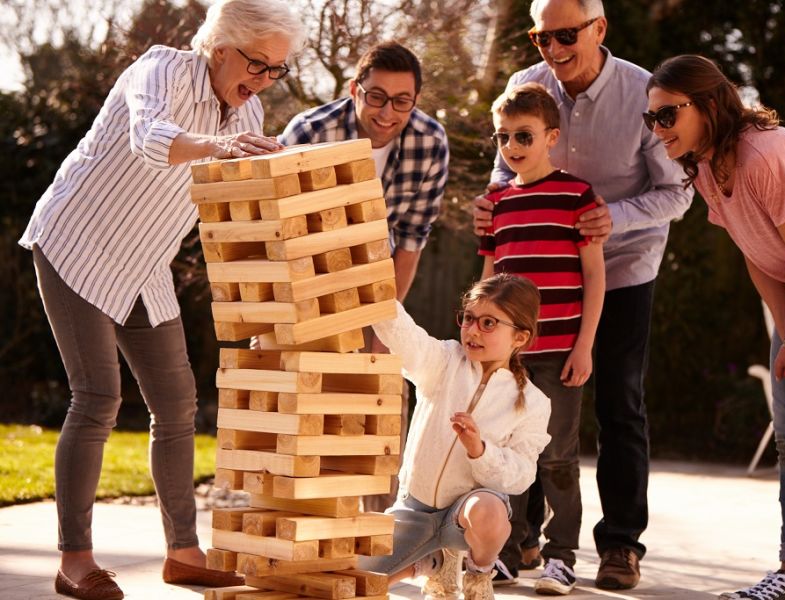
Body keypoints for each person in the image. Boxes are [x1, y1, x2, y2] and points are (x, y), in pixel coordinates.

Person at [17, 1, 305, 598]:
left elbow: (235, 213)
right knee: (97, 397)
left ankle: (183, 552)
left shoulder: (246, 110)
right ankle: (76, 561)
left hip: (143, 265)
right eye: (256, 63)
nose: (262, 80)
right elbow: (150, 139)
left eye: (276, 70)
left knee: (176, 407)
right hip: (77, 242)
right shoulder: (161, 69)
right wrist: (218, 148)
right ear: (221, 46)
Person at [472, 0, 693, 590]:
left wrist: (604, 219)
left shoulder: (643, 94)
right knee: (519, 415)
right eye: (541, 36)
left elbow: (677, 194)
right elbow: (505, 170)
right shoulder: (526, 84)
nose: (553, 47)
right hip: (534, 286)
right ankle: (523, 545)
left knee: (618, 404)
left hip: (618, 267)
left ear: (600, 28)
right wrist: (491, 201)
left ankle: (619, 544)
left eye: (566, 34)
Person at [646, 54, 785, 600]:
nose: (657, 129)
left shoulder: (765, 153)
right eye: (652, 119)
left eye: (667, 116)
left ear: (709, 105)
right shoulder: (709, 165)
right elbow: (757, 253)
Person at [279, 41, 449, 511]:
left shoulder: (430, 142)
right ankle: (304, 521)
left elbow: (411, 241)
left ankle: (378, 538)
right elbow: (278, 236)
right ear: (355, 89)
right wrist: (278, 324)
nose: (387, 112)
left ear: (414, 100)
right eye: (376, 96)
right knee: (308, 406)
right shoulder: (310, 132)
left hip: (374, 281)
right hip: (307, 281)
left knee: (380, 396)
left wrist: (382, 323)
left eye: (402, 101)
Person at [478, 82, 605, 595]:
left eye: (523, 135)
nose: (511, 146)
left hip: (560, 354)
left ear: (551, 137)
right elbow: (487, 279)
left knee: (557, 458)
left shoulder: (578, 196)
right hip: (510, 359)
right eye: (502, 136)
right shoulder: (496, 203)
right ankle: (507, 551)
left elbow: (594, 275)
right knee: (505, 455)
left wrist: (585, 344)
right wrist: (480, 337)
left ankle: (561, 556)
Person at [359, 272, 551, 600]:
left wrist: (480, 450)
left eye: (489, 323)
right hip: (414, 510)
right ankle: (434, 564)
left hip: (466, 518)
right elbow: (406, 337)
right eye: (469, 318)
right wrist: (374, 290)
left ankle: (477, 572)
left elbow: (521, 475)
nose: (473, 330)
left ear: (519, 337)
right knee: (355, 585)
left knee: (488, 510)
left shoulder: (534, 403)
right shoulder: (445, 361)